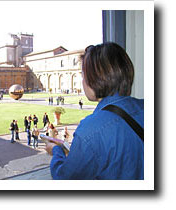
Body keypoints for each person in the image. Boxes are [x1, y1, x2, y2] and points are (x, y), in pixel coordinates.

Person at [45, 42, 144, 180]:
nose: (82, 80)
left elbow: (64, 178)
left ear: (95, 78)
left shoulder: (90, 130)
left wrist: (56, 151)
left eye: (83, 74)